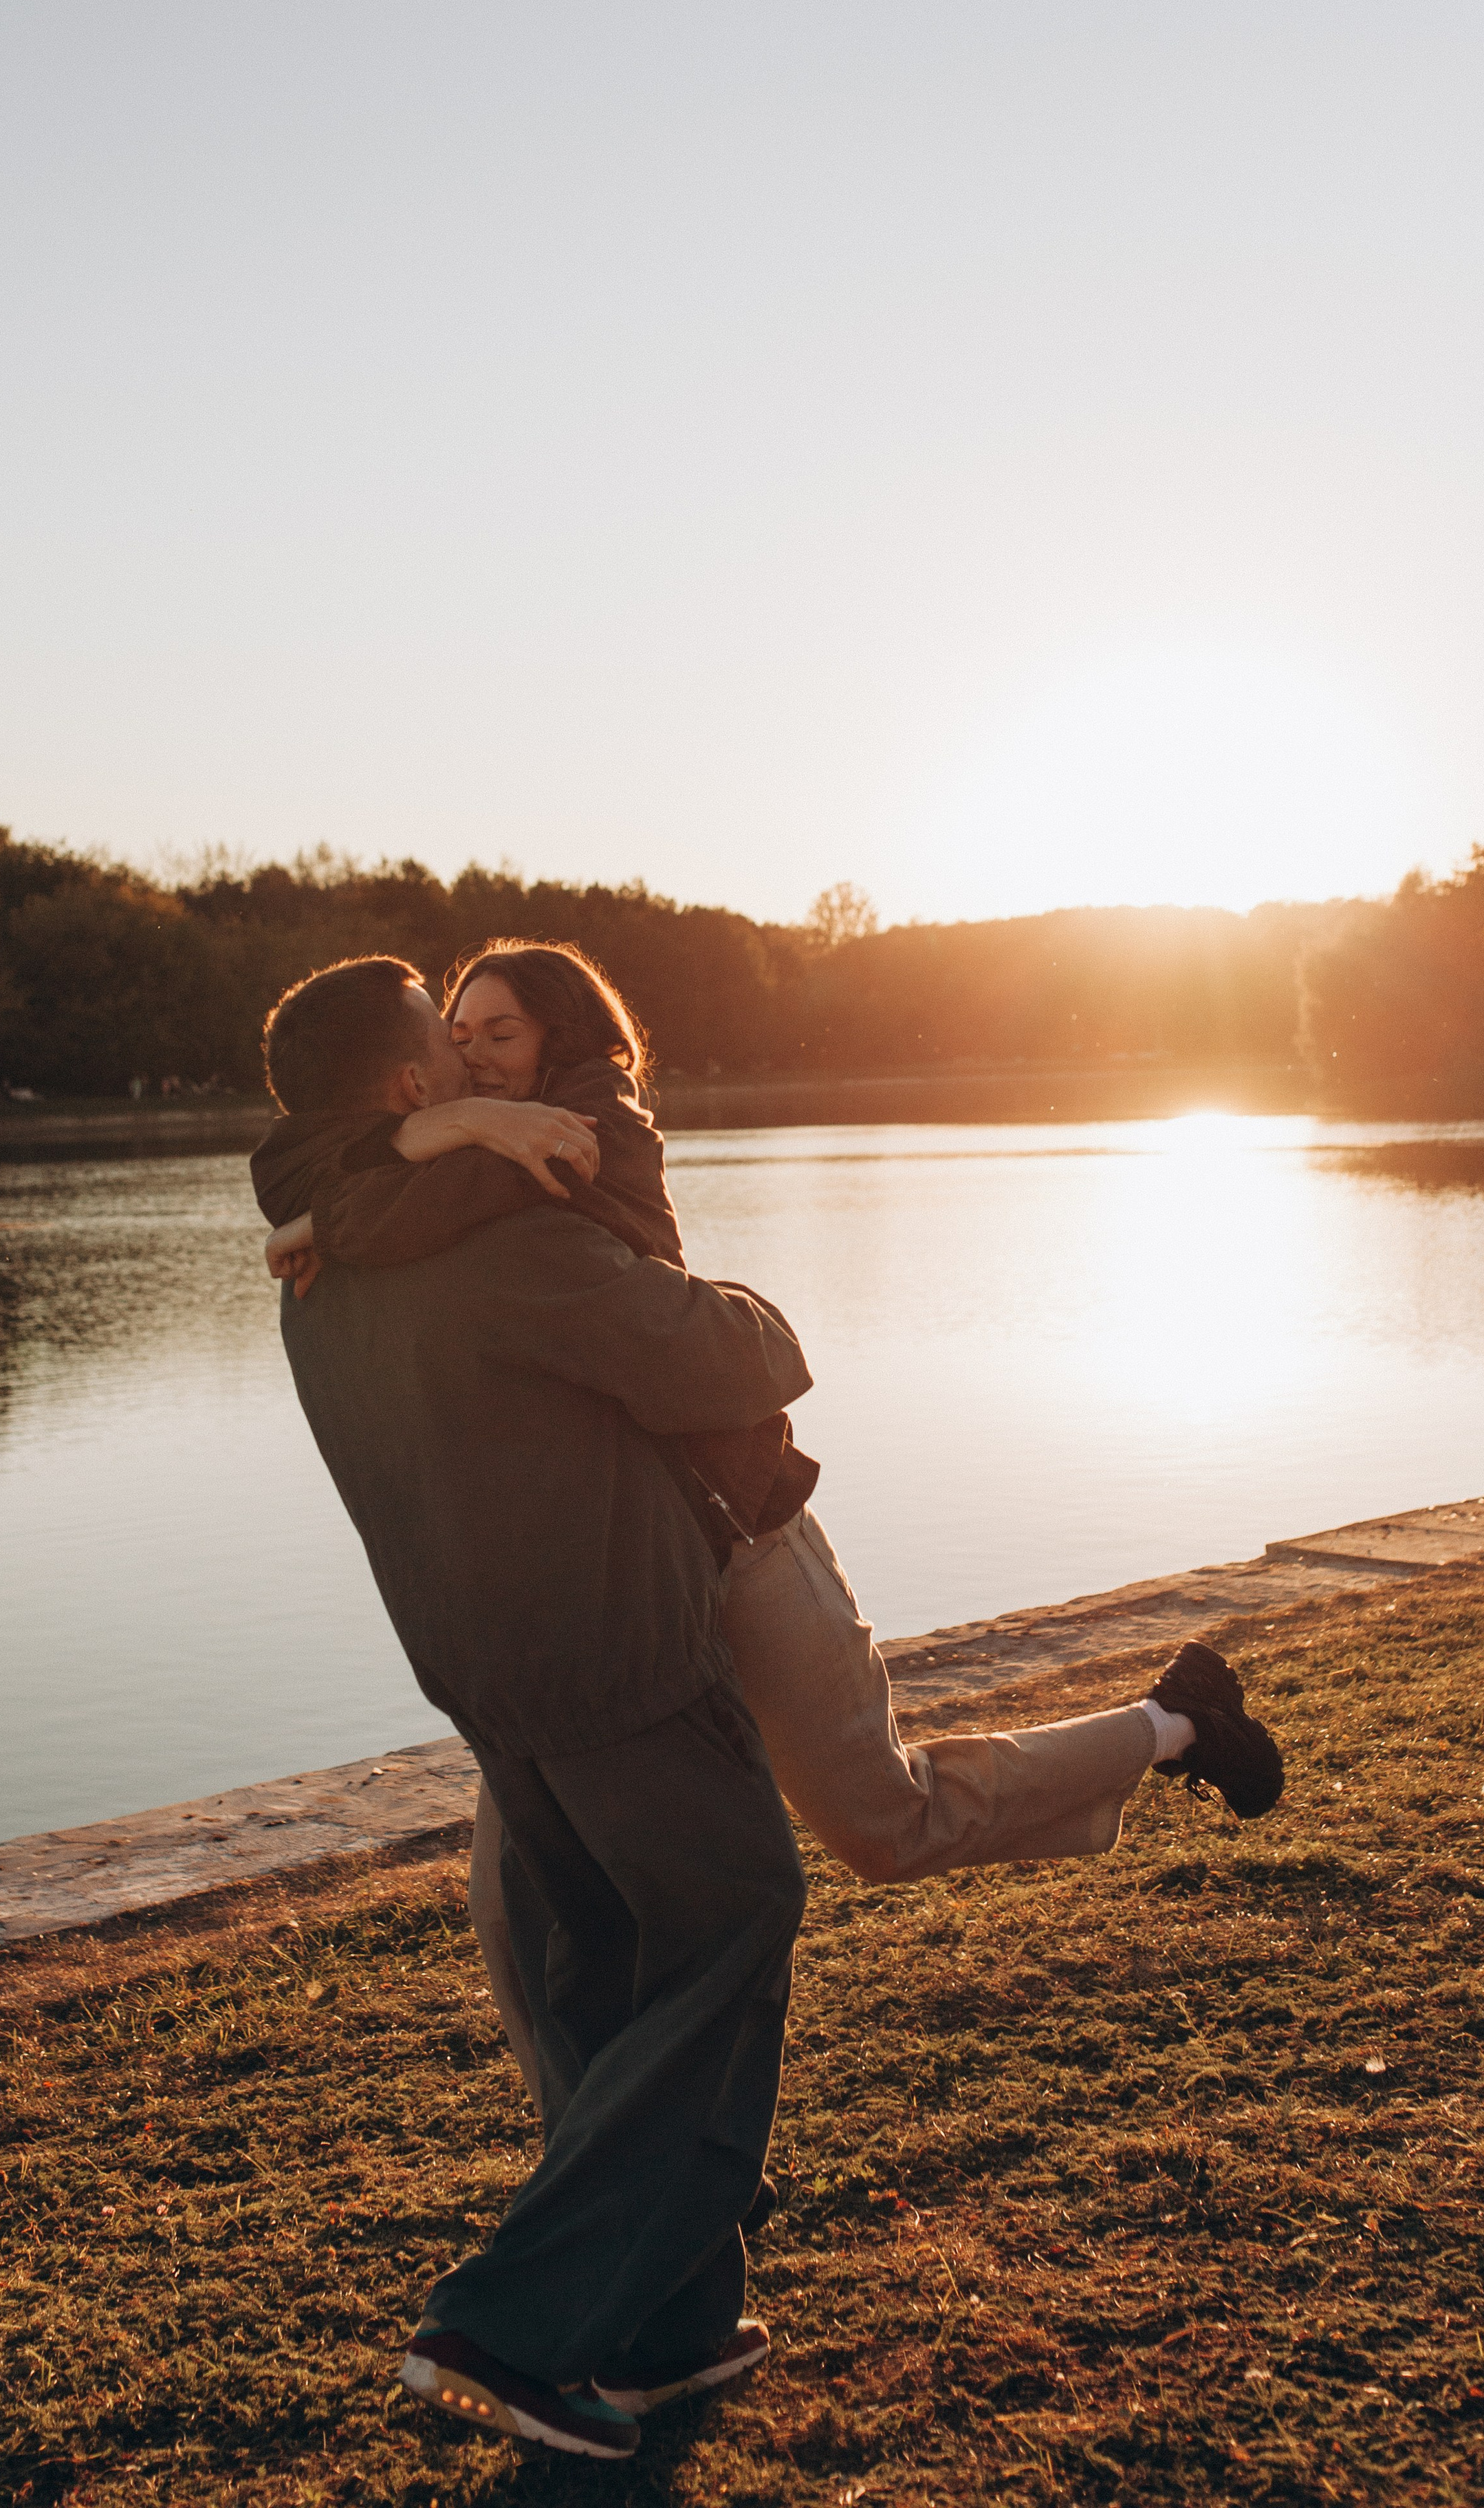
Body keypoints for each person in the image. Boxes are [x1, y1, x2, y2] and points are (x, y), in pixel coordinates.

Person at [257, 940, 1285, 2113]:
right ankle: (603, 2182)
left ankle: (1173, 1726)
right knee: (512, 1907)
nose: (474, 1051)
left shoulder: (576, 1134)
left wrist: (357, 1192)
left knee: (883, 1826)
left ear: (560, 1045)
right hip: (607, 1589)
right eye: (459, 1031)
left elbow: (376, 1201)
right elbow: (347, 1188)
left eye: (501, 1033)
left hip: (740, 1533)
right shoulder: (458, 1163)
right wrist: (363, 1186)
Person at [254, 954, 814, 2462]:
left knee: (612, 1976)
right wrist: (734, 1303)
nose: (467, 1056)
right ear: (405, 1091)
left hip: (485, 1676)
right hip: (619, 1660)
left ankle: (665, 2334)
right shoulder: (508, 1248)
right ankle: (505, 2324)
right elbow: (739, 1360)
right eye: (444, 1041)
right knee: (734, 1921)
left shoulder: (319, 1267)